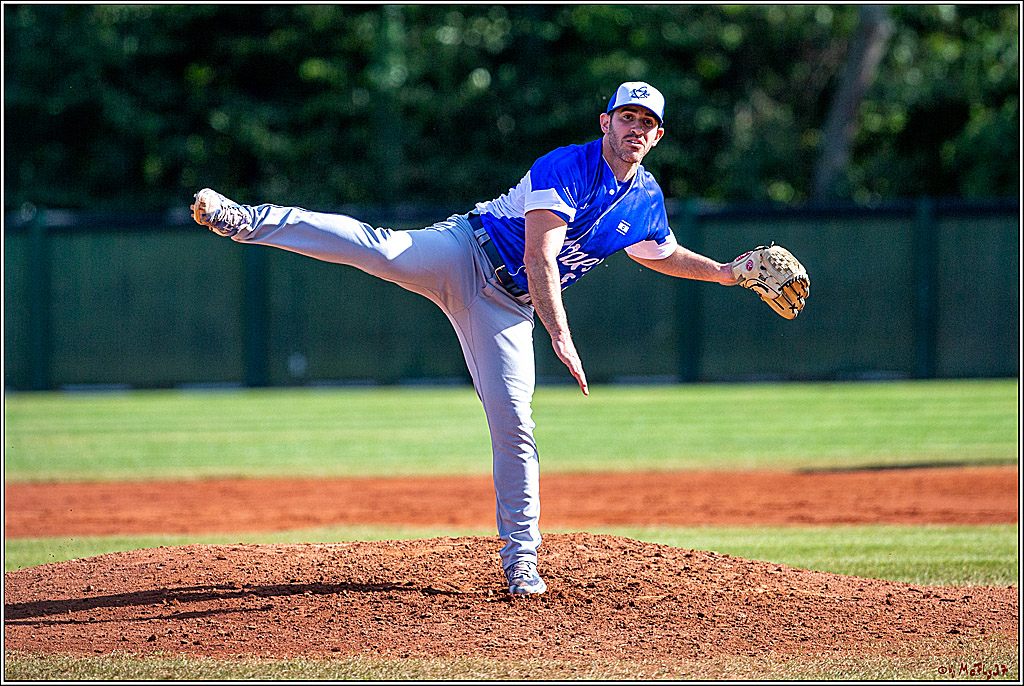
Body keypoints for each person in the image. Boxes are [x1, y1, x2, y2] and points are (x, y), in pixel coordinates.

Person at [191, 81, 739, 595]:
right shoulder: (567, 166)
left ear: (658, 135)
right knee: (379, 249)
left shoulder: (646, 197)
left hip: (507, 309)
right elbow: (539, 255)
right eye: (626, 117)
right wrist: (561, 335)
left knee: (514, 421)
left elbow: (662, 253)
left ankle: (522, 559)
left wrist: (727, 272)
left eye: (647, 122)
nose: (635, 128)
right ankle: (247, 220)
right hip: (466, 251)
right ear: (605, 122)